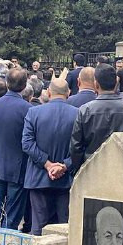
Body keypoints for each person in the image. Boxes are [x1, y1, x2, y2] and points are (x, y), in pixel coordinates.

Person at [22, 78, 79, 235]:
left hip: (38, 178)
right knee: (63, 229)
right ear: (68, 93)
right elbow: (81, 147)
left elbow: (27, 143)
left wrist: (47, 164)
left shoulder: (34, 112)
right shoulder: (77, 114)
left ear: (48, 92)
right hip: (66, 180)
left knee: (38, 228)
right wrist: (64, 166)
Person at [70, 64, 123, 172]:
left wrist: (80, 170)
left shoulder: (85, 110)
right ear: (116, 83)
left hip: (93, 168)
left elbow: (76, 146)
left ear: (96, 84)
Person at [0, 68, 32, 229]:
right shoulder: (28, 108)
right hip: (17, 168)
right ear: (24, 85)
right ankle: (6, 240)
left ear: (7, 83)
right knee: (12, 214)